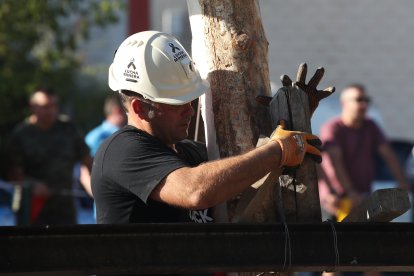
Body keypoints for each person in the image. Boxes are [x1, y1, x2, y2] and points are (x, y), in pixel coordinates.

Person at [91, 30, 322, 224]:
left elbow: (244, 175)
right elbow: (196, 191)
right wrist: (279, 150)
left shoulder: (190, 153)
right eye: (177, 105)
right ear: (140, 108)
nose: (190, 111)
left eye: (190, 101)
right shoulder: (121, 151)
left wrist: (293, 120)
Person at [318, 83, 411, 221]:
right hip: (337, 199)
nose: (364, 105)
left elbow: (389, 155)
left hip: (360, 196)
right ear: (344, 103)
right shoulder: (333, 128)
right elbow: (334, 162)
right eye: (358, 100)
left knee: (361, 237)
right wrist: (348, 192)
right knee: (342, 239)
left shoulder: (371, 126)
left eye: (366, 100)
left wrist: (402, 182)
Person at [6, 87, 93, 226]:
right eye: (45, 106)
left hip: (64, 209)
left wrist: (94, 187)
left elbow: (87, 161)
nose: (51, 110)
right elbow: (13, 175)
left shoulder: (68, 129)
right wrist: (33, 185)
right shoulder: (21, 135)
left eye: (54, 105)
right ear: (33, 107)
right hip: (32, 209)